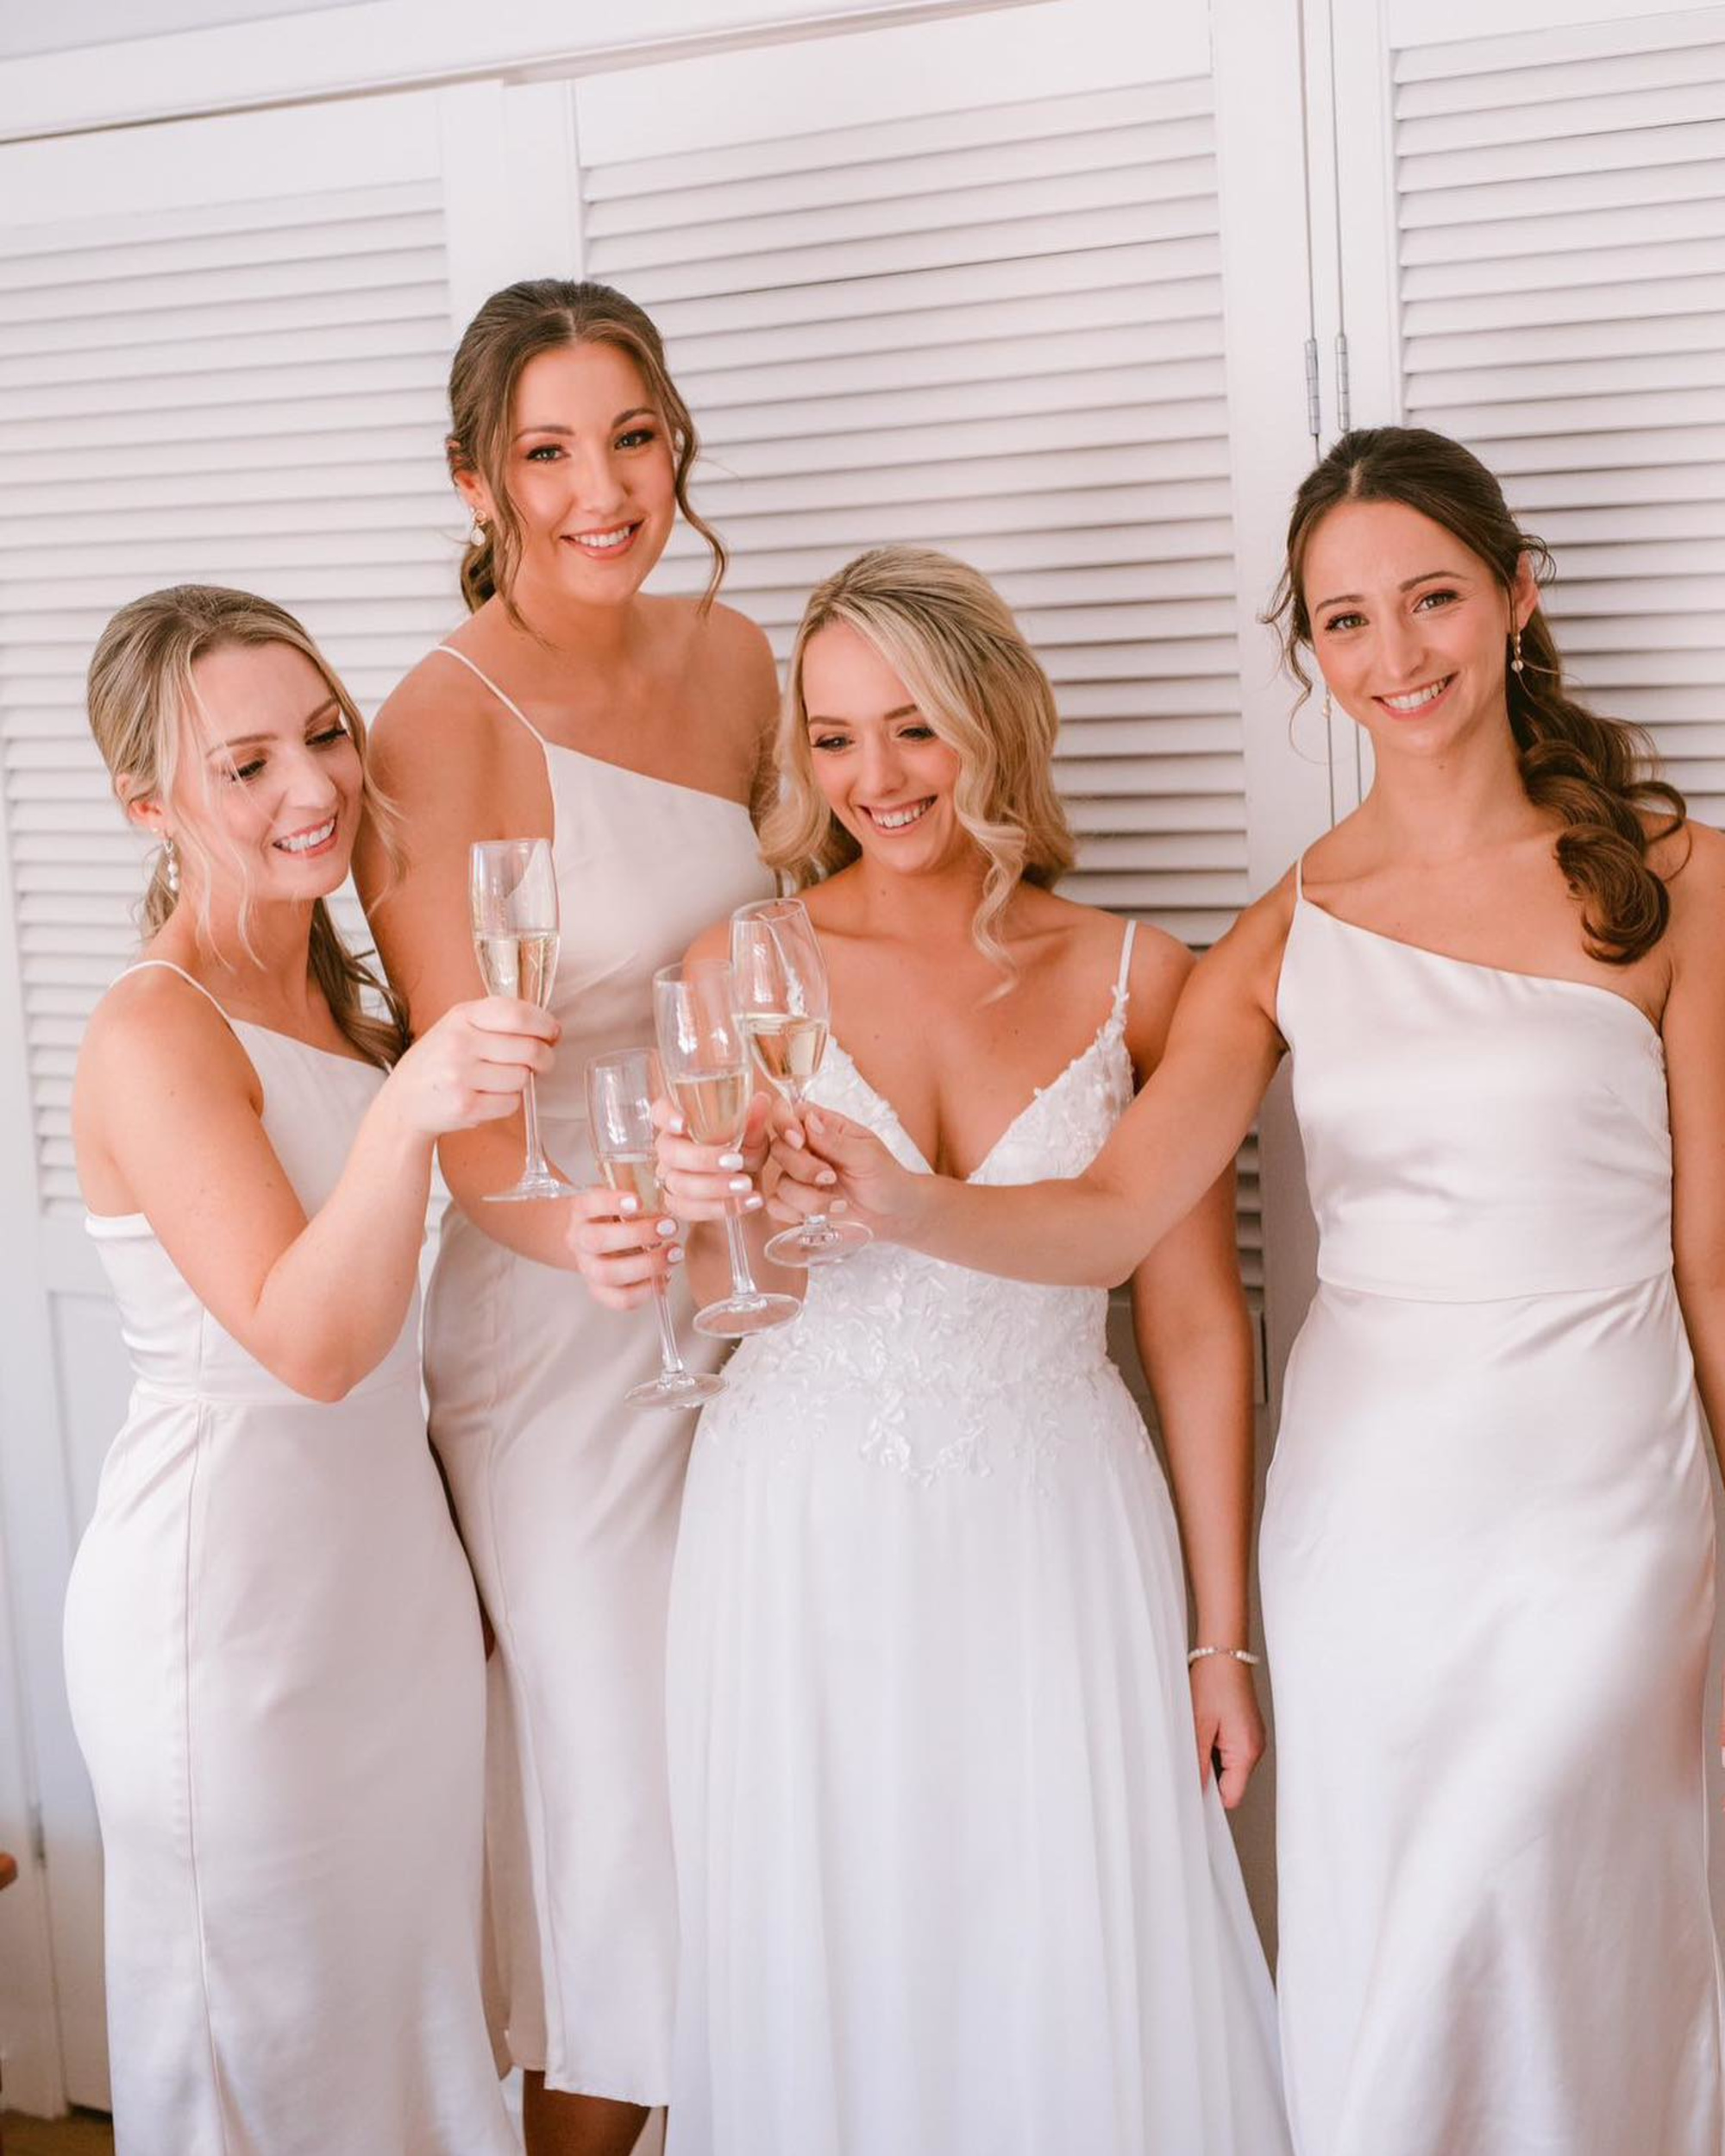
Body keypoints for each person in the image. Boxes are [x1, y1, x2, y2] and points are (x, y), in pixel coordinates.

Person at [768, 432, 1725, 2154]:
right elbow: (1121, 1210)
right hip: (1367, 1516)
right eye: (1346, 618)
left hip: (1605, 1498)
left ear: (1513, 597)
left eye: (1431, 597)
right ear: (1310, 649)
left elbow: (1712, 1256)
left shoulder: (1681, 881)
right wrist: (905, 1201)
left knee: (1561, 1902)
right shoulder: (1275, 937)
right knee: (1396, 1938)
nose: (1398, 651)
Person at [587, 547, 1288, 2155]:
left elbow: (1188, 1320)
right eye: (832, 738)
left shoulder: (1139, 975)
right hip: (803, 1524)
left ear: (995, 723)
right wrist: (691, 1222)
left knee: (1063, 1933)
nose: (876, 779)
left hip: (1056, 1519)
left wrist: (1220, 1638)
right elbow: (725, 1287)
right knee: (834, 1931)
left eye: (914, 729)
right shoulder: (740, 968)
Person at [357, 278, 775, 2156]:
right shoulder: (433, 732)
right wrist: (594, 1234)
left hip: (753, 1275)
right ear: (475, 485)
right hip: (558, 1301)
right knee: (624, 1817)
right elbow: (470, 1131)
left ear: (676, 441)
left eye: (632, 435)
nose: (601, 486)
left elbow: (782, 969)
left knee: (763, 1762)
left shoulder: (740, 658)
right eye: (547, 450)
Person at [63, 585, 551, 2155]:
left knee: (403, 2022)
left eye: (326, 737)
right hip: (233, 1620)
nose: (314, 788)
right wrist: (411, 1107)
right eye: (247, 766)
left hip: (384, 1592)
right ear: (150, 805)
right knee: (267, 2046)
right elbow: (313, 1341)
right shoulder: (157, 1029)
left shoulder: (345, 1003)